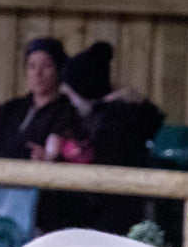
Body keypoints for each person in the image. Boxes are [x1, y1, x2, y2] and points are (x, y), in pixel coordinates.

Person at [33, 40, 166, 235]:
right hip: (96, 215)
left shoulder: (116, 124)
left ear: (86, 92)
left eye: (72, 93)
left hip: (109, 221)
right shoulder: (91, 118)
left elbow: (103, 184)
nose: (68, 98)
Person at [0, 37, 85, 163]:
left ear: (58, 70)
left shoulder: (67, 114)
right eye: (32, 66)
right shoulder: (10, 109)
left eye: (46, 66)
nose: (37, 73)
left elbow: (70, 158)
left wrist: (49, 159)